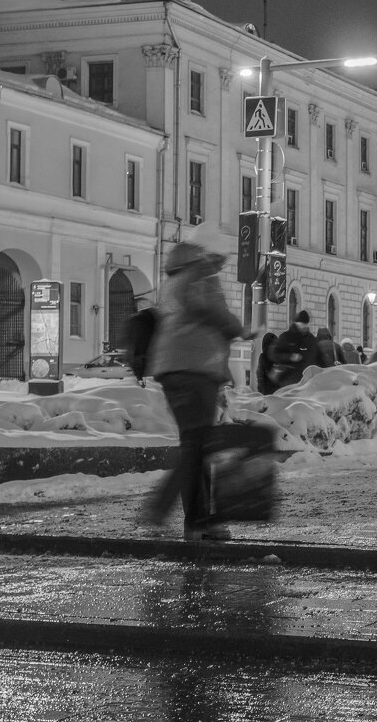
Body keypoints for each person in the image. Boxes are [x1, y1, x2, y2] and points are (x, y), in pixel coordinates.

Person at [144, 224, 253, 541]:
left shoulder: (174, 275)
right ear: (211, 254)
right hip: (194, 370)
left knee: (196, 444)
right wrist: (237, 327)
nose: (221, 267)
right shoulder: (201, 271)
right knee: (196, 446)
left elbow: (187, 316)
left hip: (173, 368)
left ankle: (199, 523)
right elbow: (207, 308)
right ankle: (162, 508)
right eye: (221, 260)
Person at [273, 311, 318, 387]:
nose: (304, 326)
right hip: (288, 379)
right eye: (302, 324)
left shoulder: (311, 339)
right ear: (296, 323)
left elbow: (316, 357)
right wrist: (290, 357)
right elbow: (275, 355)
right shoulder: (286, 337)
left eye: (306, 324)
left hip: (307, 380)